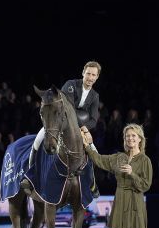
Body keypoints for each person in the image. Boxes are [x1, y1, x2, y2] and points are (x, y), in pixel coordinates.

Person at [81, 123, 153, 228]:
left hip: (134, 200)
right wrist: (88, 146)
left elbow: (146, 185)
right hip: (120, 199)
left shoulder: (144, 160)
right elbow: (100, 160)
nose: (130, 138)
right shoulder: (119, 157)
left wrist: (132, 174)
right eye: (128, 136)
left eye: (133, 136)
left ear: (140, 139)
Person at [21, 61, 102, 197]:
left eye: (93, 75)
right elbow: (68, 109)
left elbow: (93, 119)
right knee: (37, 141)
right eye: (88, 73)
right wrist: (80, 127)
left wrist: (85, 129)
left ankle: (92, 183)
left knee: (95, 153)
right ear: (83, 73)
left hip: (80, 129)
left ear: (97, 77)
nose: (90, 77)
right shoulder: (71, 85)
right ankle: (30, 177)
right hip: (58, 123)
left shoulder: (95, 96)